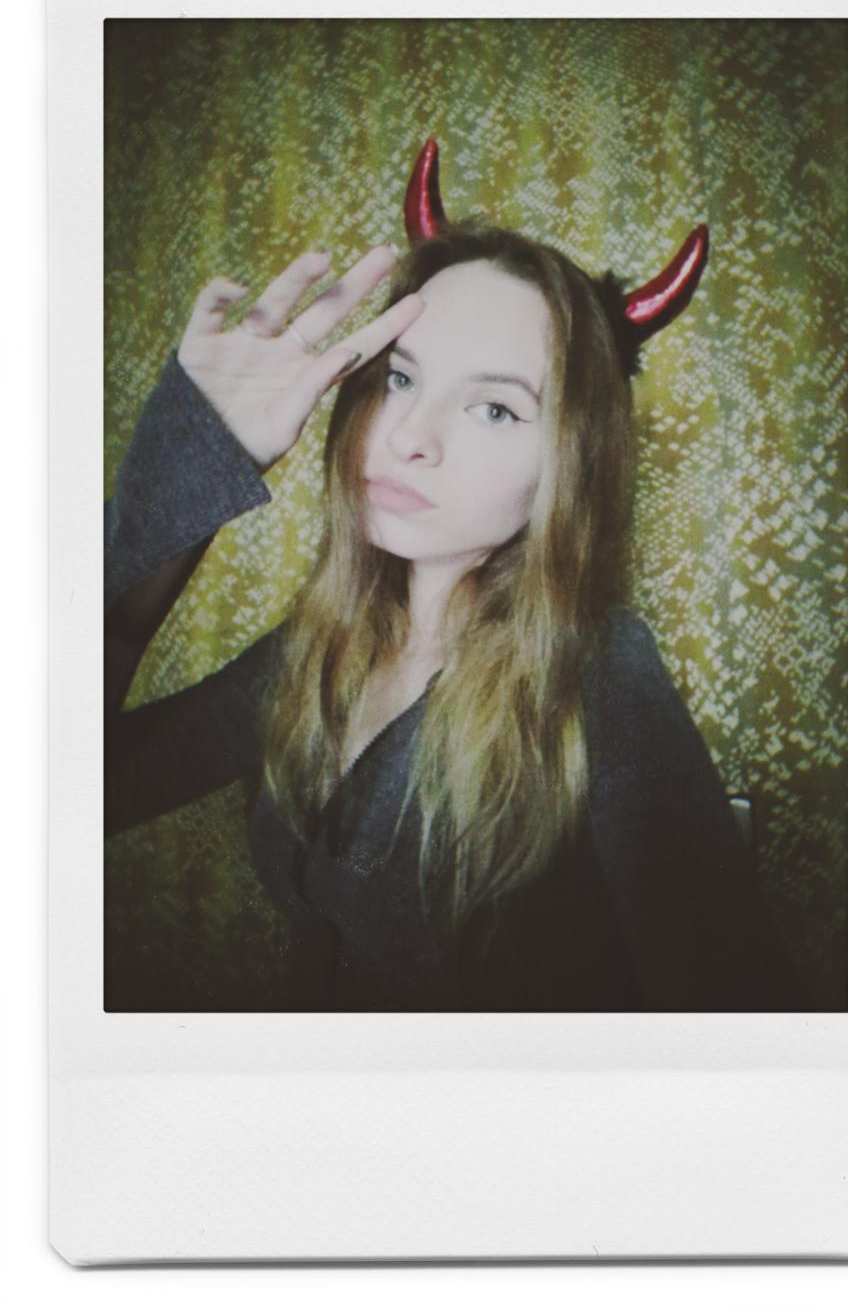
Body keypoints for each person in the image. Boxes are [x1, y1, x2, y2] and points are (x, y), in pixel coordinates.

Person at [105, 143, 808, 1012]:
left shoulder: (598, 673)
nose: (410, 435)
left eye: (495, 408)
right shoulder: (318, 648)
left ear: (568, 464)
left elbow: (742, 1015)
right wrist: (192, 469)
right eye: (400, 377)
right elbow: (78, 786)